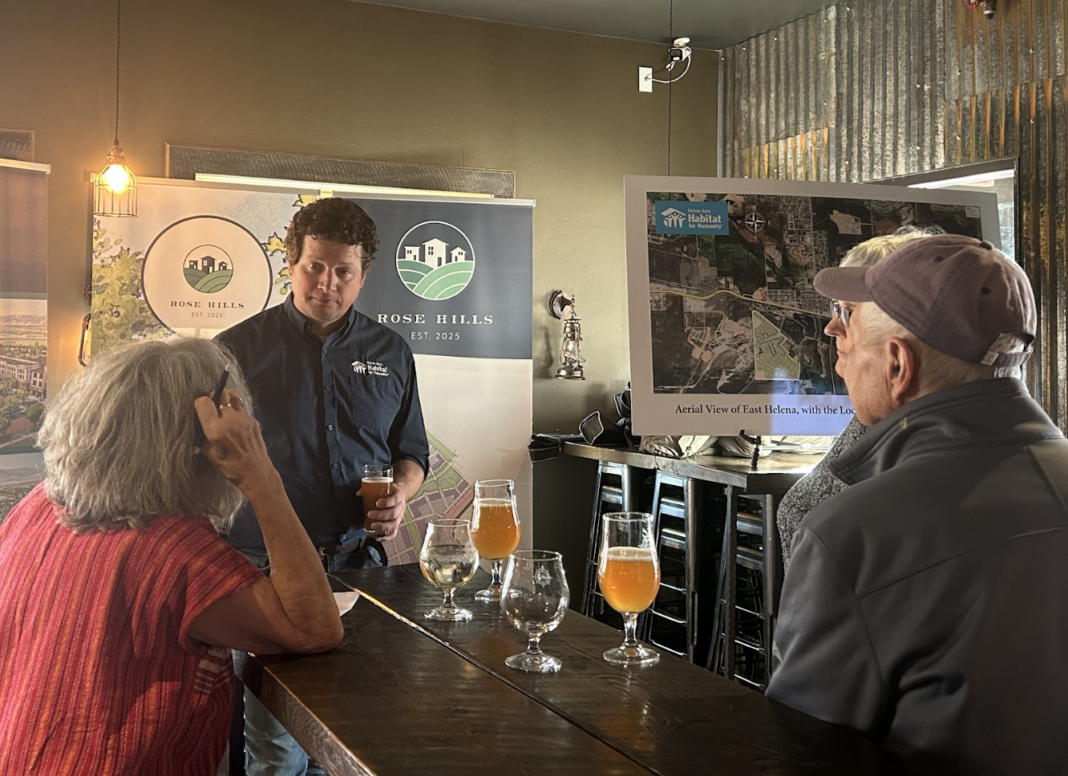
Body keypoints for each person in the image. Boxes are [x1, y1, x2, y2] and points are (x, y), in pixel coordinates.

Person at [765, 234, 1068, 774]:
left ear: (898, 365)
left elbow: (804, 754)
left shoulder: (852, 535)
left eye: (849, 320)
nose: (835, 333)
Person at [0, 338, 344, 775]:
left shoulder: (36, 507)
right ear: (202, 443)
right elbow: (313, 629)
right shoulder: (176, 553)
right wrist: (261, 476)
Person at [216, 196, 430, 776]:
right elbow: (206, 461)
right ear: (291, 263)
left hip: (360, 571)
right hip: (263, 572)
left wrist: (402, 492)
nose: (327, 284)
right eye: (314, 266)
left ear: (363, 274)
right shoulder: (234, 350)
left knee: (347, 743)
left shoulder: (392, 351)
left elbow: (412, 453)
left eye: (343, 271)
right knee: (277, 750)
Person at [776, 232, 927, 571]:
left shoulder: (913, 430)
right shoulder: (874, 415)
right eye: (835, 309)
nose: (830, 328)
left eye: (846, 311)